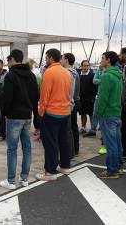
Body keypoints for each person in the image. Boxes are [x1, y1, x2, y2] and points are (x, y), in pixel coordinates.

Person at [0, 49, 39, 190]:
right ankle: (24, 178)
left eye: (8, 61)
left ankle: (11, 180)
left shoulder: (10, 76)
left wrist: (4, 113)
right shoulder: (31, 75)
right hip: (27, 116)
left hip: (14, 116)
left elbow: (7, 98)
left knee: (12, 149)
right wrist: (34, 115)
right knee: (27, 147)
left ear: (13, 60)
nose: (8, 64)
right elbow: (35, 98)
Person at [36, 49, 72, 181]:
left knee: (50, 142)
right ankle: (65, 166)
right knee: (64, 140)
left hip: (51, 113)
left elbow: (44, 96)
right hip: (65, 112)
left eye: (46, 58)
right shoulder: (67, 73)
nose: (45, 60)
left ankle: (50, 171)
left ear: (51, 58)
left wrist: (41, 113)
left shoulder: (49, 73)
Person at [98, 51, 124, 179]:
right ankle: (119, 166)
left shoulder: (107, 76)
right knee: (117, 142)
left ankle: (112, 170)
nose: (101, 60)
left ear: (108, 60)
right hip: (117, 112)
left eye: (102, 58)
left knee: (110, 144)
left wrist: (99, 113)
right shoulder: (119, 75)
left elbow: (103, 98)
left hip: (108, 114)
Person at [62, 53, 81, 157]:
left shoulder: (70, 72)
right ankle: (74, 150)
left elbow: (71, 90)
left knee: (71, 128)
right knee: (72, 127)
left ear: (66, 60)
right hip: (73, 102)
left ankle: (72, 151)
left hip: (71, 103)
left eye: (62, 58)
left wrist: (70, 104)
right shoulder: (73, 72)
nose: (61, 60)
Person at [78, 60, 97, 134]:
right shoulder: (79, 75)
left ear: (89, 66)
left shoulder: (92, 75)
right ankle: (83, 127)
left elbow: (95, 88)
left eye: (87, 66)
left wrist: (93, 97)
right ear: (81, 66)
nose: (86, 67)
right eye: (84, 66)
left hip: (90, 99)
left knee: (91, 114)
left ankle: (93, 129)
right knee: (82, 113)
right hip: (81, 98)